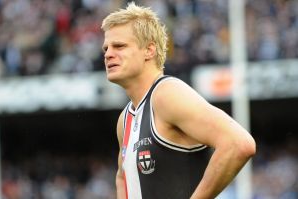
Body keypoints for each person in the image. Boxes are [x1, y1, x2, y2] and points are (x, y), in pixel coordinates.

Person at [101, 2, 256, 199]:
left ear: (149, 50)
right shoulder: (126, 119)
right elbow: (122, 178)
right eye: (106, 48)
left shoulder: (166, 94)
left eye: (119, 46)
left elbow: (239, 143)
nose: (108, 54)